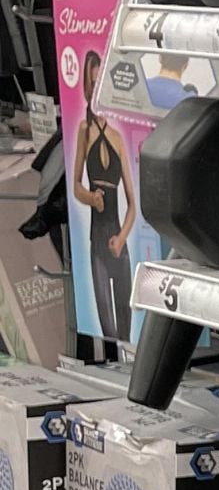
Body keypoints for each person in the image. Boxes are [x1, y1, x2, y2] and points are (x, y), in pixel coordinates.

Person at [69, 50, 134, 340]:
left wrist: (121, 239)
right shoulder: (84, 131)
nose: (96, 92)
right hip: (97, 241)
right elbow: (75, 186)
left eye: (100, 85)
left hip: (118, 239)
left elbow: (133, 203)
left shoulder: (119, 138)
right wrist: (90, 198)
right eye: (92, 86)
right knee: (107, 327)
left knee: (126, 321)